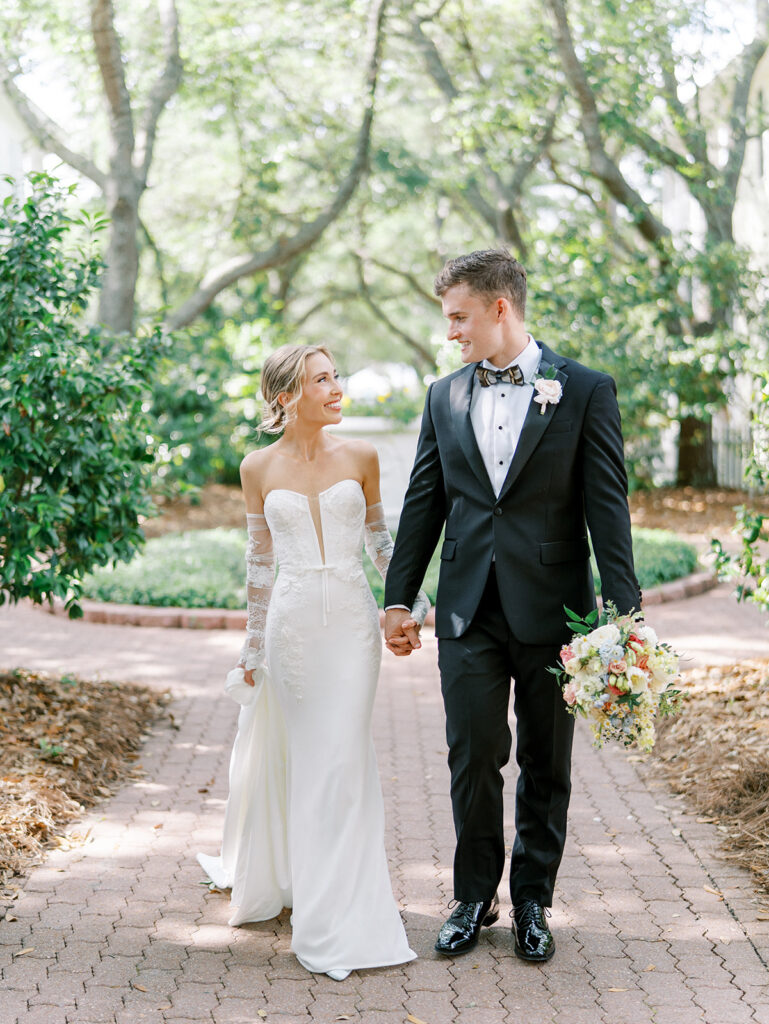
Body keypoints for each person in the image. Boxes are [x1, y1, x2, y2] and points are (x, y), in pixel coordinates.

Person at [383, 249, 640, 963]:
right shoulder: (443, 395)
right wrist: (398, 597)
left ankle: (532, 900)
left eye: (458, 317)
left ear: (501, 309)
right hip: (467, 609)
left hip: (555, 613)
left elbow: (606, 508)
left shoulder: (583, 389)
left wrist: (624, 616)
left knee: (545, 762)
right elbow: (423, 503)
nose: (451, 333)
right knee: (471, 756)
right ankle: (472, 897)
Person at [198, 344, 428, 981]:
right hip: (293, 630)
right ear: (286, 396)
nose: (336, 387)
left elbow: (381, 544)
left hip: (353, 629)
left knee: (344, 758)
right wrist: (251, 646)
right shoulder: (256, 467)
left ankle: (346, 907)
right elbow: (258, 563)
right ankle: (320, 907)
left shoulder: (361, 456)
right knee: (312, 763)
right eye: (321, 379)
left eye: (335, 376)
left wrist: (407, 602)